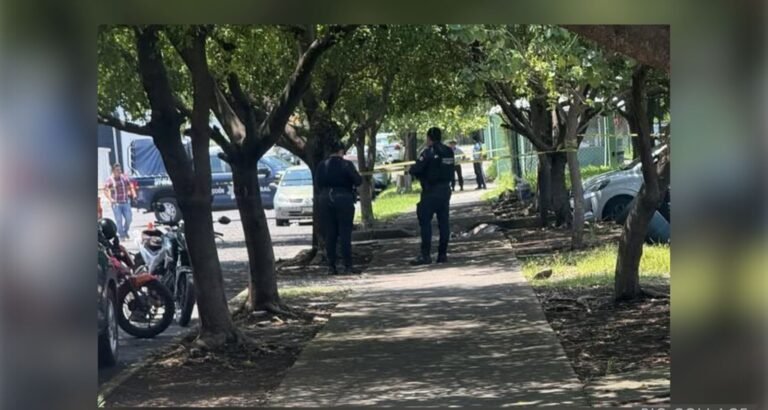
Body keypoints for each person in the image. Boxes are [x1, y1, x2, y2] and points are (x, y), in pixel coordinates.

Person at [409, 127, 455, 265]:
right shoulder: (448, 151)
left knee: (425, 222)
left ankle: (425, 255)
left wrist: (417, 172)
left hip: (430, 191)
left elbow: (415, 169)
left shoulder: (428, 152)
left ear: (429, 138)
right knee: (444, 222)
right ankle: (442, 254)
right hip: (445, 190)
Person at [316, 141, 363, 275]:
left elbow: (317, 183)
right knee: (345, 233)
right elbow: (358, 180)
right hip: (343, 198)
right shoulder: (346, 164)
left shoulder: (322, 165)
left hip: (325, 199)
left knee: (330, 233)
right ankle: (348, 265)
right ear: (341, 151)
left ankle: (331, 266)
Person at [104, 163, 136, 240]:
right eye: (117, 170)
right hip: (116, 204)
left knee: (129, 218)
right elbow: (105, 190)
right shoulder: (110, 180)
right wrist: (110, 199)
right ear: (113, 171)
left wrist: (133, 193)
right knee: (119, 220)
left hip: (125, 202)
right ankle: (121, 235)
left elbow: (130, 185)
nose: (119, 171)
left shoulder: (124, 178)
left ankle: (125, 231)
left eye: (120, 169)